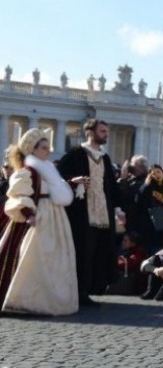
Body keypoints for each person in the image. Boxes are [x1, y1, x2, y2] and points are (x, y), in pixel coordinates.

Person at [0, 129, 78, 315]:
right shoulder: (28, 171)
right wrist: (28, 214)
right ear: (32, 150)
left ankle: (44, 298)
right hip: (38, 216)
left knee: (52, 260)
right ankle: (20, 298)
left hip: (54, 216)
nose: (48, 151)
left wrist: (72, 184)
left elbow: (51, 189)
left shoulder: (46, 168)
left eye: (48, 147)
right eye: (43, 148)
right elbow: (19, 194)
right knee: (31, 257)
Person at [57, 118, 123, 306]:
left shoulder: (105, 157)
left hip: (102, 211)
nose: (106, 135)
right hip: (82, 213)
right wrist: (73, 180)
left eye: (106, 132)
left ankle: (90, 288)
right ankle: (77, 291)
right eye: (102, 131)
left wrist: (117, 209)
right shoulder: (76, 154)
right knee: (82, 251)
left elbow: (111, 185)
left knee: (97, 251)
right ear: (90, 132)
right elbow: (59, 175)